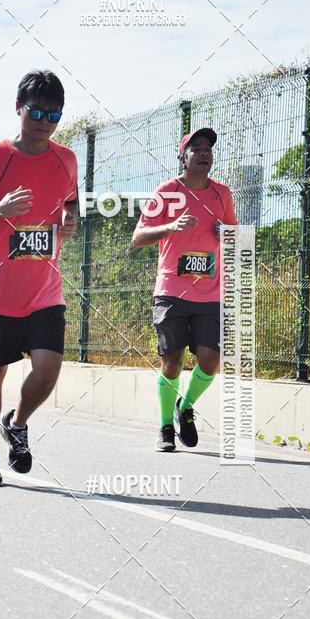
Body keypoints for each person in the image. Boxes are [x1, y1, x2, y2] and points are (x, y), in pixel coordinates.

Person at [0, 69, 78, 484]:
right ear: (18, 108)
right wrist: (0, 210)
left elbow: (70, 202)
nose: (44, 122)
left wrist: (69, 219)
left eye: (53, 115)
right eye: (36, 112)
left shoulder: (67, 159)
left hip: (44, 290)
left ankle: (18, 422)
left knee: (48, 369)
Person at [131, 128, 238, 452]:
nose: (204, 153)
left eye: (208, 149)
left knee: (210, 361)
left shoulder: (222, 194)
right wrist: (170, 227)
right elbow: (137, 238)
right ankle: (165, 427)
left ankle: (185, 406)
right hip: (172, 291)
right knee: (172, 361)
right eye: (197, 148)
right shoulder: (167, 192)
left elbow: (235, 239)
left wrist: (228, 234)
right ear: (183, 156)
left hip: (210, 293)